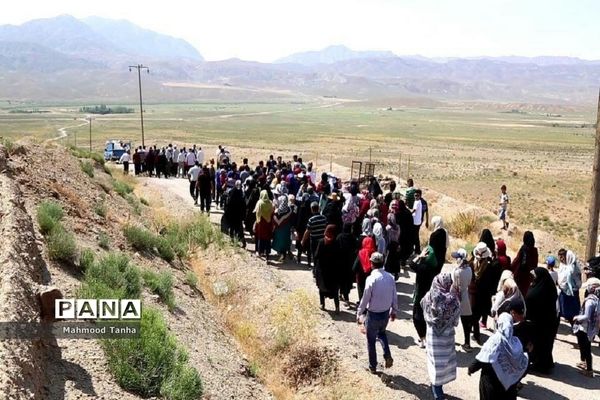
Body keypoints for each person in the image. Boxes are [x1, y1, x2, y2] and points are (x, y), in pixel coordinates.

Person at [468, 313, 529, 400]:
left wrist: (471, 368)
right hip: (509, 386)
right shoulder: (516, 342)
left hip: (491, 383)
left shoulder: (495, 340)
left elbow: (483, 358)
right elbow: (522, 363)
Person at [356, 252, 398, 374]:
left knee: (370, 340)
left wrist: (359, 312)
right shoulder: (390, 277)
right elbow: (394, 295)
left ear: (372, 264)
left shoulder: (371, 279)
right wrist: (394, 310)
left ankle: (372, 366)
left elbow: (365, 298)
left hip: (373, 314)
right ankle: (387, 354)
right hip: (385, 313)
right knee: (382, 333)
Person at [421, 273, 461, 400]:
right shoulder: (454, 300)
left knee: (434, 362)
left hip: (433, 335)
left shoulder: (430, 296)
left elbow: (423, 309)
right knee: (443, 363)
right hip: (447, 336)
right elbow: (455, 322)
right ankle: (438, 387)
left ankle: (437, 393)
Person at [526, 267, 559, 374]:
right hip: (550, 322)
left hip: (539, 324)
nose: (532, 279)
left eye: (534, 277)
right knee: (546, 344)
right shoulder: (550, 288)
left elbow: (530, 301)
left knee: (539, 344)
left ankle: (541, 366)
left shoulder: (537, 291)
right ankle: (546, 363)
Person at [410, 245, 438, 348]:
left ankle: (423, 339)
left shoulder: (423, 267)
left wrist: (419, 256)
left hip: (420, 296)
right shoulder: (434, 267)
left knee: (416, 318)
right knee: (426, 318)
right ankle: (425, 337)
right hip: (429, 297)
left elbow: (411, 264)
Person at [573, 286, 600, 377]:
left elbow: (586, 316)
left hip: (585, 328)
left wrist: (577, 317)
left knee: (587, 349)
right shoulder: (596, 300)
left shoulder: (589, 302)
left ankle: (589, 370)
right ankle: (584, 363)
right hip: (591, 328)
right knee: (584, 346)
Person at [314, 225, 341, 312]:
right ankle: (337, 307)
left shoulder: (322, 242)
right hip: (333, 270)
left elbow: (316, 255)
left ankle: (322, 304)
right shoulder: (336, 243)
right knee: (335, 290)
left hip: (322, 270)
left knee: (321, 287)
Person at [452, 248, 473, 352]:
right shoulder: (469, 269)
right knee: (466, 322)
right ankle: (467, 343)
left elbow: (453, 284)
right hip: (465, 296)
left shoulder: (456, 271)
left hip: (456, 296)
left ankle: (449, 339)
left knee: (451, 320)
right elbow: (469, 283)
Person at [557, 248, 582, 325]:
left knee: (573, 311)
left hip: (572, 292)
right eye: (559, 257)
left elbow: (577, 280)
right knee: (562, 309)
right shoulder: (563, 265)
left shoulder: (573, 268)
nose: (561, 259)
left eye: (562, 257)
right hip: (564, 291)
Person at [511, 231, 538, 296]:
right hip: (529, 277)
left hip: (520, 276)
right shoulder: (534, 250)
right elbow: (535, 264)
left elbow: (517, 261)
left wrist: (511, 268)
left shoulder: (523, 249)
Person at [336, 223, 358, 303]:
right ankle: (346, 298)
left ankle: (341, 294)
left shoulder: (339, 237)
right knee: (347, 281)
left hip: (340, 262)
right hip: (349, 263)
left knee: (341, 279)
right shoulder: (353, 238)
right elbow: (356, 249)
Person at [302, 202, 328, 268]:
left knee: (315, 255)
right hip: (322, 240)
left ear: (311, 209)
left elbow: (307, 231)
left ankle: (316, 270)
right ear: (319, 208)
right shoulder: (324, 218)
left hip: (314, 240)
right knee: (321, 255)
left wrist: (303, 241)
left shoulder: (311, 220)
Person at [353, 236, 377, 301]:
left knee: (361, 292)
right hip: (371, 277)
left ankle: (362, 305)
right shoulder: (374, 254)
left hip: (360, 277)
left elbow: (354, 267)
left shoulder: (360, 253)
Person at [224, 180, 246, 247]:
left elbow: (228, 204)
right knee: (239, 228)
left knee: (232, 228)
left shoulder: (232, 192)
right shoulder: (241, 193)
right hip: (238, 214)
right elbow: (244, 205)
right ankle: (242, 241)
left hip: (232, 214)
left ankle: (232, 240)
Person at [272, 195, 293, 261]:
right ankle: (284, 254)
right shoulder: (289, 209)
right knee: (285, 241)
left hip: (279, 229)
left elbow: (274, 219)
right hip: (286, 228)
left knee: (279, 241)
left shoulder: (277, 211)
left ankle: (281, 254)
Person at [254, 190, 273, 260]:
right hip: (268, 223)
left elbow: (257, 213)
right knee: (267, 238)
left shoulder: (259, 203)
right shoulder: (270, 203)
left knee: (260, 237)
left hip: (261, 223)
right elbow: (272, 212)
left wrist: (256, 221)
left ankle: (260, 251)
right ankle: (267, 252)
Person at [384, 213, 401, 279]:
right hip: (396, 244)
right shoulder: (398, 227)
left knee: (389, 260)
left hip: (390, 244)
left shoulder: (388, 228)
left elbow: (386, 237)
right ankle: (396, 273)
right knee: (396, 260)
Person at [411, 189, 424, 254]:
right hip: (417, 221)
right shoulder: (417, 201)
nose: (416, 196)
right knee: (415, 235)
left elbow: (414, 210)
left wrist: (409, 213)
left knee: (415, 236)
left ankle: (417, 249)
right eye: (415, 195)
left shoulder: (418, 202)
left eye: (417, 195)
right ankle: (416, 249)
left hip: (416, 222)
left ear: (420, 196)